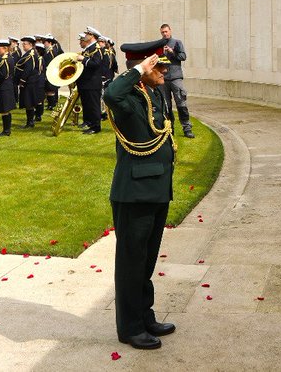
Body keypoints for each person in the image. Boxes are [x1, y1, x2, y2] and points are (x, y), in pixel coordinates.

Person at [103, 42, 177, 350]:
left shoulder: (154, 93)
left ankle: (145, 317)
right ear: (143, 67)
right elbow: (110, 94)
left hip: (156, 189)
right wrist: (136, 71)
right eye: (158, 66)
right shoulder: (126, 96)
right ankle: (130, 328)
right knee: (131, 263)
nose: (164, 71)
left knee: (145, 262)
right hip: (134, 193)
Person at [157, 23, 194, 139]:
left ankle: (187, 128)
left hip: (176, 77)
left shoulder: (177, 42)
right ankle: (169, 129)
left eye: (166, 31)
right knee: (166, 106)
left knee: (181, 103)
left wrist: (172, 52)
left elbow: (183, 57)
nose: (165, 34)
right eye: (163, 32)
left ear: (170, 31)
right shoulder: (158, 45)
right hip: (163, 79)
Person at [76, 28, 104, 134]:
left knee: (93, 105)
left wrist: (83, 59)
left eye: (87, 33)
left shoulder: (96, 48)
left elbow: (96, 64)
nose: (85, 35)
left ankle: (95, 127)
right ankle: (88, 121)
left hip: (92, 82)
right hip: (86, 81)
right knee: (87, 104)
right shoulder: (89, 48)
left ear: (92, 36)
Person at [0, 39, 16, 136]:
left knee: (5, 109)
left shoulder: (5, 59)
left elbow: (3, 75)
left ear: (5, 48)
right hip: (6, 86)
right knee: (5, 109)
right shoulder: (6, 58)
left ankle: (6, 130)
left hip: (4, 87)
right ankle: (6, 130)